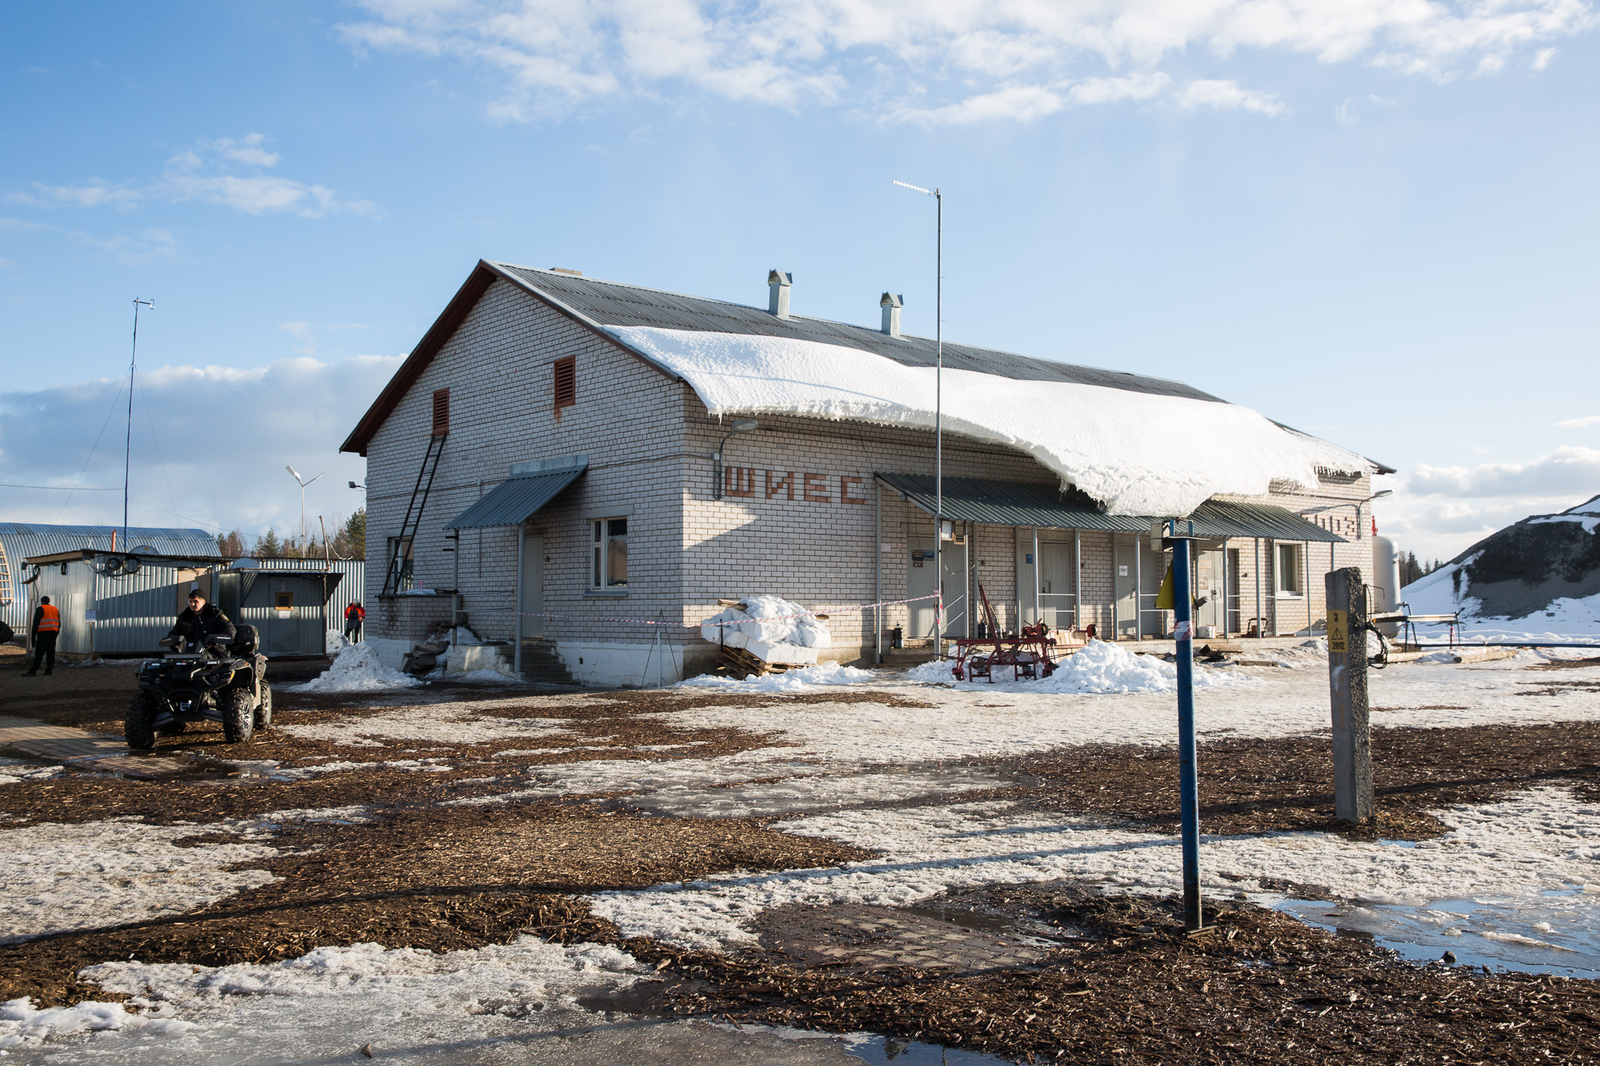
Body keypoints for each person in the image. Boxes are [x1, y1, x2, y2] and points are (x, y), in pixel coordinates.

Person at [168, 590, 235, 652]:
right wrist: (176, 644)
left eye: (195, 601)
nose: (192, 604)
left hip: (214, 652)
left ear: (203, 602)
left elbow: (230, 630)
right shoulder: (185, 617)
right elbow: (174, 634)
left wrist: (217, 640)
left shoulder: (214, 615)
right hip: (191, 652)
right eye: (190, 602)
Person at [22, 595, 60, 676]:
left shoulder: (40, 609)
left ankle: (33, 670)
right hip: (53, 633)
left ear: (42, 602)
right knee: (51, 653)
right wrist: (56, 633)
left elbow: (35, 623)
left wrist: (33, 637)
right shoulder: (55, 609)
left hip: (43, 634)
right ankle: (49, 670)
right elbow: (59, 623)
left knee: (39, 653)